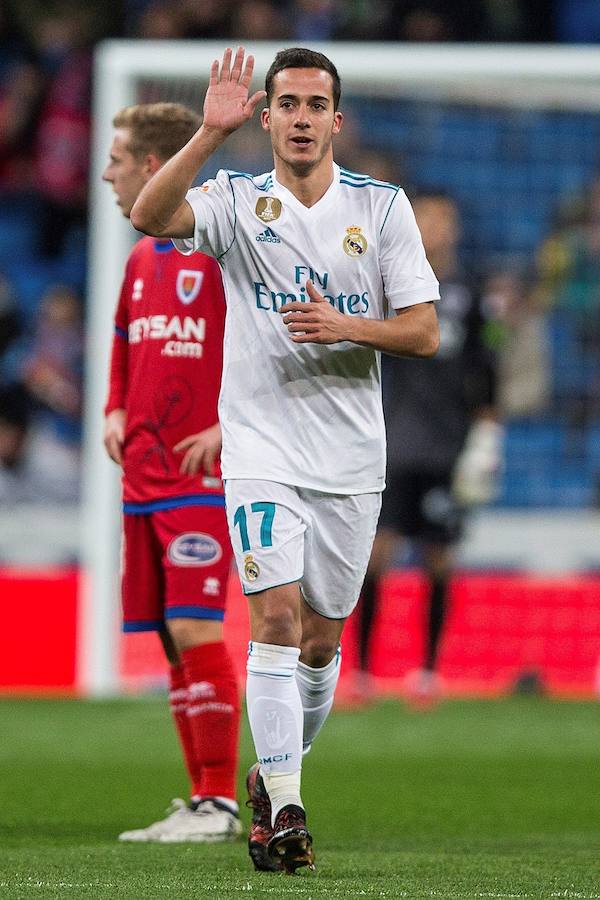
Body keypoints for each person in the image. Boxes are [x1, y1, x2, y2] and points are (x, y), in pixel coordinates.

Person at [130, 47, 440, 873]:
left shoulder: (381, 209)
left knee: (319, 641)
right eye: (286, 104)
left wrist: (349, 326)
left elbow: (424, 330)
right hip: (262, 451)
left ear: (335, 121)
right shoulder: (235, 201)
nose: (301, 118)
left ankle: (271, 780)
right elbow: (151, 218)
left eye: (315, 105)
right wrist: (208, 132)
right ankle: (289, 805)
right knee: (271, 619)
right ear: (264, 117)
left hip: (350, 459)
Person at [102, 102, 241, 844]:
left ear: (152, 166)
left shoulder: (218, 250)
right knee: (166, 632)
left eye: (117, 161)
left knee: (195, 626)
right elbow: (126, 343)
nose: (105, 173)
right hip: (143, 477)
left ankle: (220, 802)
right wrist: (113, 409)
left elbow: (267, 344)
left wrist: (228, 423)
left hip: (203, 474)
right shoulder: (137, 260)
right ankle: (200, 797)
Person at [357, 191, 502, 706]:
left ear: (456, 228)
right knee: (377, 554)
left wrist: (486, 441)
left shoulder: (473, 294)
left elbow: (487, 373)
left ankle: (427, 671)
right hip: (392, 443)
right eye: (427, 217)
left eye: (445, 218)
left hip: (448, 448)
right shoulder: (387, 283)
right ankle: (364, 673)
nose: (436, 227)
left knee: (439, 558)